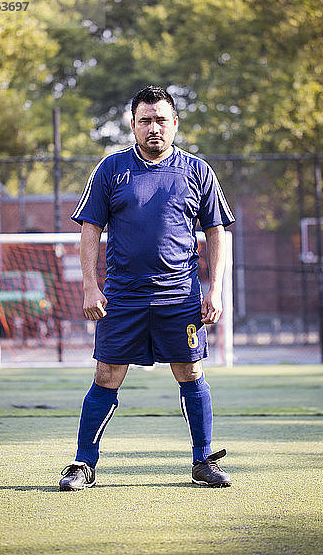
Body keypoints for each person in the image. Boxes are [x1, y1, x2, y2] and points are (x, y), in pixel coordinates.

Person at [60, 86, 235, 491]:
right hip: (122, 297)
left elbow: (215, 231)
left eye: (161, 120)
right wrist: (90, 286)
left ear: (175, 124)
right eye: (145, 121)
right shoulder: (110, 169)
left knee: (190, 371)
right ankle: (82, 463)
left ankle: (203, 461)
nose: (153, 128)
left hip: (180, 297)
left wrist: (215, 289)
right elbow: (90, 229)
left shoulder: (198, 171)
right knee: (106, 374)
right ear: (133, 125)